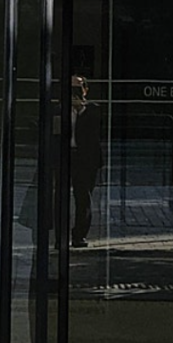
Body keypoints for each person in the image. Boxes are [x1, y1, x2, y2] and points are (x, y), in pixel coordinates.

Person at [69, 75, 104, 248]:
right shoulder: (60, 109)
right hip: (68, 156)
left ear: (85, 90)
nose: (74, 93)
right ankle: (60, 236)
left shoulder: (93, 110)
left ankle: (79, 235)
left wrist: (80, 109)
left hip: (86, 159)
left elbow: (95, 131)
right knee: (59, 196)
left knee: (83, 197)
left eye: (78, 88)